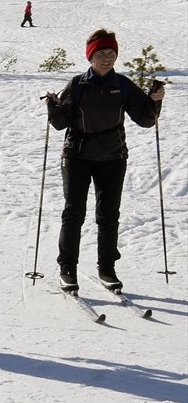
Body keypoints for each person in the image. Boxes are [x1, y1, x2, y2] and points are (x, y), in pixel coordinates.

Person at [43, 29, 165, 293]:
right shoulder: (77, 85)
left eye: (111, 53)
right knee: (73, 214)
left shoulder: (121, 85)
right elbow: (59, 123)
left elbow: (145, 121)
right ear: (91, 56)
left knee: (108, 216)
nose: (107, 58)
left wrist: (155, 102)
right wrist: (53, 107)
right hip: (77, 156)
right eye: (101, 54)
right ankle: (67, 269)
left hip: (113, 157)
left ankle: (107, 270)